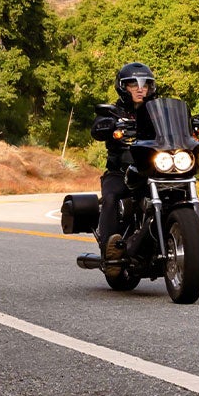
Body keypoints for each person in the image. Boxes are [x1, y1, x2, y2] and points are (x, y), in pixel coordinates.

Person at [88, 62, 160, 259]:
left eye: (144, 84)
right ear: (123, 87)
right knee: (111, 197)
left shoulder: (158, 112)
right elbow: (96, 129)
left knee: (183, 192)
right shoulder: (114, 112)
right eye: (133, 84)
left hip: (153, 170)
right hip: (121, 172)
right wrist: (107, 125)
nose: (139, 88)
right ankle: (109, 249)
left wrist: (194, 123)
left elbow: (176, 125)